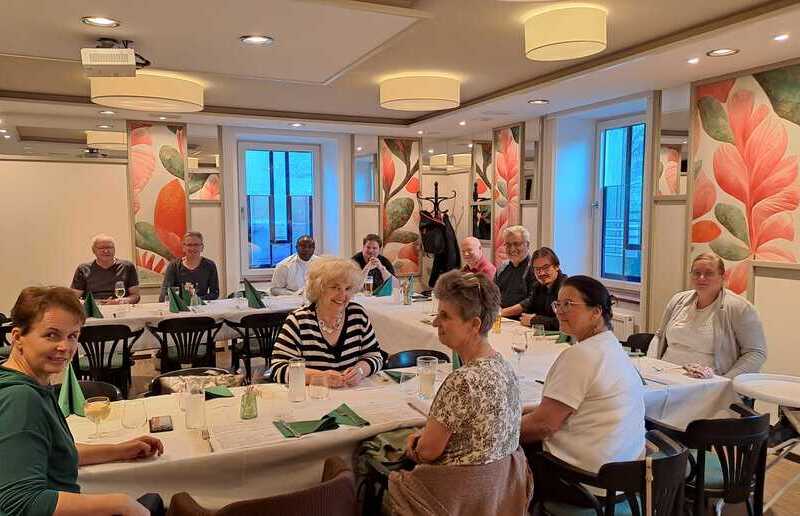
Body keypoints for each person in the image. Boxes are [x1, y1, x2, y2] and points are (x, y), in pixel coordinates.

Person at [0, 286, 165, 516]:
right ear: (18, 337)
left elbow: (56, 453)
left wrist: (121, 450)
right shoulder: (20, 398)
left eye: (72, 336)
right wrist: (120, 503)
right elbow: (19, 503)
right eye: (51, 335)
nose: (65, 347)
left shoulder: (30, 383)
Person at [388, 271, 532, 514]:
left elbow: (427, 452)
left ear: (474, 325)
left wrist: (415, 443)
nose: (435, 323)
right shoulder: (504, 368)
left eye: (445, 316)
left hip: (451, 500)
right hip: (498, 496)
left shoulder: (462, 381)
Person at [520, 276, 645, 478]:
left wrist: (495, 432)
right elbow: (572, 406)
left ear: (596, 312)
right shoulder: (611, 346)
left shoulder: (581, 355)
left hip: (583, 476)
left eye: (568, 304)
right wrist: (520, 410)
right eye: (558, 304)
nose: (559, 311)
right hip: (622, 472)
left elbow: (544, 424)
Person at [648, 253, 767, 378]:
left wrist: (725, 382)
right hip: (665, 375)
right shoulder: (678, 300)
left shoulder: (739, 308)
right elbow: (659, 336)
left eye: (709, 273)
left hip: (708, 383)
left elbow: (756, 353)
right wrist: (650, 366)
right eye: (696, 273)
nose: (701, 278)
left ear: (722, 277)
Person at [271, 258, 383, 387]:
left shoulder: (358, 315)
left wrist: (361, 371)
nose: (343, 295)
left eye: (347, 288)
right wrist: (318, 377)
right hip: (313, 396)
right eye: (335, 288)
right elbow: (278, 368)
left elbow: (375, 356)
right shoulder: (299, 320)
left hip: (353, 394)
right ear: (319, 289)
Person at [501, 247, 566, 330]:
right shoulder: (538, 286)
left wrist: (534, 320)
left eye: (546, 268)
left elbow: (564, 322)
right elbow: (528, 307)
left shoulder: (566, 289)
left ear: (557, 266)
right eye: (537, 269)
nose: (541, 273)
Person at [71, 234, 140, 304]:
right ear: (93, 250)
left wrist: (122, 301)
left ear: (114, 249)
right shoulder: (83, 269)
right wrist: (93, 303)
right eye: (101, 248)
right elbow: (73, 298)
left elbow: (135, 296)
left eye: (109, 247)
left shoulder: (127, 267)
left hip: (120, 308)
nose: (106, 251)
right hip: (93, 308)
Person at [158, 231, 220, 302]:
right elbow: (165, 293)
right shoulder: (174, 266)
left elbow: (214, 293)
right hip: (180, 307)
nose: (192, 248)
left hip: (202, 306)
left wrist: (196, 301)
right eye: (189, 245)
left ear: (202, 247)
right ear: (183, 247)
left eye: (196, 245)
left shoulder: (210, 265)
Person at [494, 225, 535, 309]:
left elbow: (532, 300)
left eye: (517, 244)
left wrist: (503, 312)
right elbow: (492, 294)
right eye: (508, 245)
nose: (512, 249)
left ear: (527, 245)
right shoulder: (502, 268)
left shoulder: (535, 269)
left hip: (521, 317)